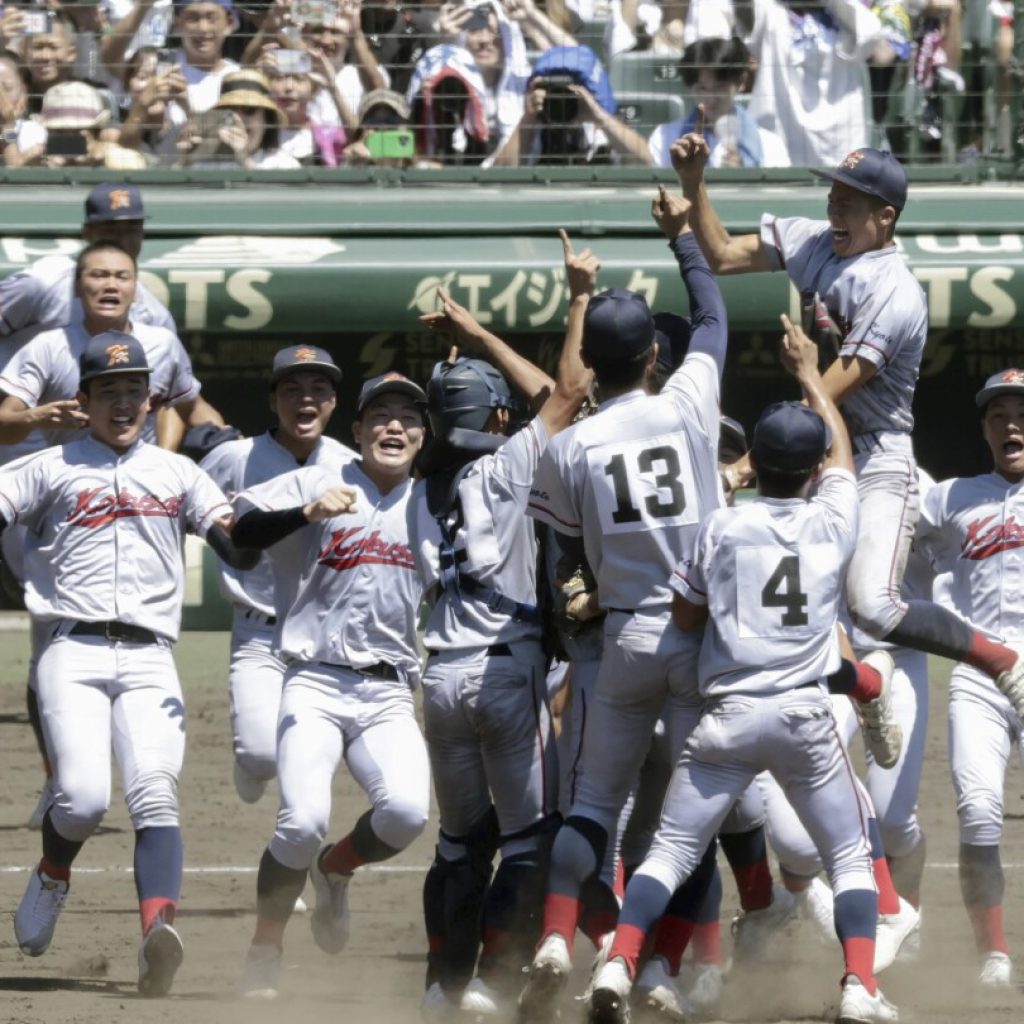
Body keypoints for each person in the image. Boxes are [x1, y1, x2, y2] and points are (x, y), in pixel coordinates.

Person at [587, 315, 897, 1024]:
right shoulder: (831, 519)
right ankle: (858, 988)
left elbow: (687, 619)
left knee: (667, 853)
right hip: (803, 716)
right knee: (848, 857)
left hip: (725, 718)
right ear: (814, 467)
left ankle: (618, 962)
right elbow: (843, 460)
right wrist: (813, 379)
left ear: (752, 457)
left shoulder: (720, 526)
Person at [672, 131, 1024, 722]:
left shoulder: (896, 290)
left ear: (885, 218)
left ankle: (1001, 660)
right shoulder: (816, 241)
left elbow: (828, 395)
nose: (834, 208)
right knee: (794, 606)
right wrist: (694, 182)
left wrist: (743, 467)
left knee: (875, 607)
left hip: (876, 460)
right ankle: (868, 689)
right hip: (820, 460)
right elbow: (724, 255)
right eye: (833, 195)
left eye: (850, 202)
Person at [519, 187, 736, 1021]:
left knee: (592, 808)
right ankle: (642, 967)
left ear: (593, 366)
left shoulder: (569, 446)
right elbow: (713, 315)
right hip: (703, 638)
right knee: (690, 823)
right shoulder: (687, 402)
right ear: (653, 354)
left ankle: (555, 939)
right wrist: (682, 236)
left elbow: (566, 549)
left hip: (622, 640)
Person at [6, 332, 255, 997]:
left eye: (134, 391)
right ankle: (54, 873)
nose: (123, 403)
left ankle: (155, 934)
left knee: (153, 791)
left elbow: (233, 541)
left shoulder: (177, 473)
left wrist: (269, 527)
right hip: (73, 648)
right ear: (82, 400)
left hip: (151, 656)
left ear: (152, 400)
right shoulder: (50, 467)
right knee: (83, 798)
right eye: (108, 391)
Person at [411, 230, 591, 1018]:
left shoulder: (413, 488)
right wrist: (576, 296)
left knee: (457, 845)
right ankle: (487, 982)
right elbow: (571, 390)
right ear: (491, 413)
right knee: (527, 841)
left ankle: (437, 988)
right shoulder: (506, 465)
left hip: (438, 675)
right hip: (502, 669)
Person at [231, 370, 431, 1000]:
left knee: (405, 814)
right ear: (358, 430)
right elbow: (241, 536)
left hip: (389, 689)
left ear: (425, 436)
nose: (394, 425)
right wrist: (304, 512)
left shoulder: (432, 503)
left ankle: (335, 870)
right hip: (313, 681)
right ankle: (265, 949)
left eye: (408, 417)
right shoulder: (318, 482)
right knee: (301, 821)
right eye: (381, 415)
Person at [199, 344, 355, 805]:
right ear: (272, 400)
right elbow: (193, 504)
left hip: (323, 634)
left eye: (318, 388)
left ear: (333, 402)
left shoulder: (350, 464)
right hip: (258, 629)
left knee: (308, 756)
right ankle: (252, 762)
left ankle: (301, 835)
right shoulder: (234, 457)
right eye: (292, 389)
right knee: (262, 753)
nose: (305, 399)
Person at [913, 368, 1024, 987]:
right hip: (980, 669)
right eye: (998, 414)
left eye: (1022, 412)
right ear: (983, 429)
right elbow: (894, 537)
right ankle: (994, 954)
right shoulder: (952, 495)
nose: (1011, 423)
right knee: (979, 811)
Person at [647, 36, 791, 169]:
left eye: (720, 87)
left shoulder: (771, 146)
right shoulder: (664, 139)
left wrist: (745, 178)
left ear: (741, 82)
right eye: (701, 88)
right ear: (689, 88)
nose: (711, 98)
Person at [213, 68, 300, 168]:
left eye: (248, 109)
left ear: (266, 119)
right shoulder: (204, 164)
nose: (237, 118)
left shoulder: (285, 165)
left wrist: (244, 159)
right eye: (229, 111)